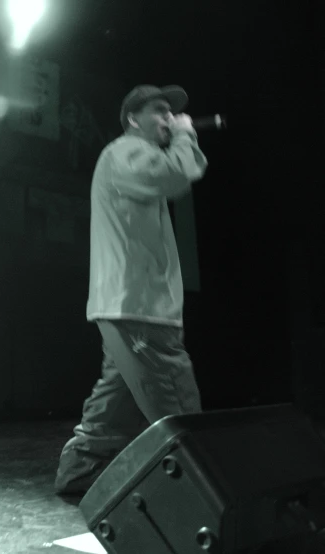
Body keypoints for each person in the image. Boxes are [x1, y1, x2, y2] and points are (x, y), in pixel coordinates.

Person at [54, 84, 209, 495]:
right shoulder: (124, 151)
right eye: (159, 111)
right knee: (178, 403)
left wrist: (176, 138)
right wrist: (185, 134)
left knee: (114, 398)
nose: (169, 118)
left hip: (128, 306)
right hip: (140, 308)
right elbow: (175, 174)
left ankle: (79, 470)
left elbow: (173, 176)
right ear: (132, 119)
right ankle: (202, 493)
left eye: (172, 113)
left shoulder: (131, 158)